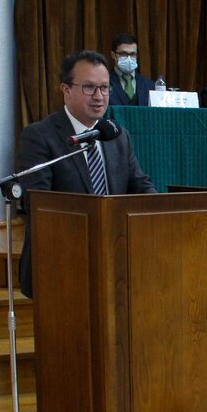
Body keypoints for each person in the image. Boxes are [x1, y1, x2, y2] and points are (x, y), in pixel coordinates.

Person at [16, 50, 157, 298]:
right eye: (89, 88)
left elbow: (139, 183)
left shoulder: (117, 135)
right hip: (61, 263)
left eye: (104, 88)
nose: (99, 97)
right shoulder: (40, 136)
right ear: (65, 89)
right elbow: (38, 203)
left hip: (114, 260)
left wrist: (159, 211)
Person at [107, 33, 155, 107]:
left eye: (132, 54)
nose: (128, 58)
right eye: (123, 54)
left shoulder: (150, 86)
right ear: (113, 55)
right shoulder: (104, 83)